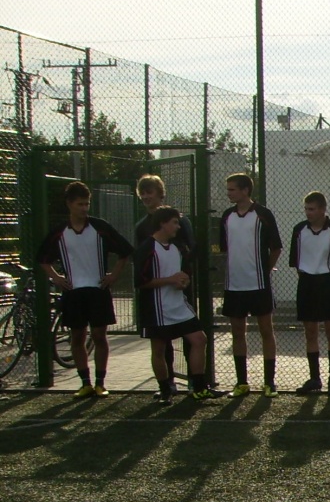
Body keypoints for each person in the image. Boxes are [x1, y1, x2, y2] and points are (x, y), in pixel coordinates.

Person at [37, 181, 133, 397]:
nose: (84, 208)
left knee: (99, 335)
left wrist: (114, 275)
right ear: (69, 204)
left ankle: (100, 382)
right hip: (73, 292)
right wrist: (57, 278)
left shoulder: (100, 227)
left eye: (87, 204)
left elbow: (125, 251)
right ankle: (85, 383)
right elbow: (42, 259)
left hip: (98, 290)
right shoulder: (60, 232)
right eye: (80, 204)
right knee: (77, 336)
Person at [134, 206, 216, 403]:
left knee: (199, 339)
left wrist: (183, 281)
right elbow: (140, 282)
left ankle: (199, 387)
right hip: (157, 308)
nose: (178, 227)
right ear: (163, 223)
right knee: (159, 349)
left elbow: (184, 273)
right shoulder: (147, 248)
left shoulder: (177, 247)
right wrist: (170, 280)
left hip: (178, 305)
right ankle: (165, 390)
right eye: (175, 223)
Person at [220, 172, 282, 397]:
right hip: (234, 286)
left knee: (266, 330)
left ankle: (269, 382)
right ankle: (242, 382)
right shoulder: (227, 216)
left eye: (232, 189)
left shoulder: (263, 214)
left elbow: (276, 247)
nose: (228, 193)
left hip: (259, 285)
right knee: (237, 332)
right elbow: (224, 249)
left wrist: (265, 271)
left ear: (245, 190)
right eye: (228, 189)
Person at [134, 173, 197, 394]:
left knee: (192, 335)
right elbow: (141, 261)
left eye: (149, 192)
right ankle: (167, 383)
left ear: (160, 194)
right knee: (161, 340)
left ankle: (194, 379)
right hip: (157, 292)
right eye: (142, 193)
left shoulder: (179, 221)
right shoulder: (141, 227)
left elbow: (191, 250)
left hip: (180, 288)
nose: (145, 197)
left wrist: (185, 277)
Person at [288, 191, 330, 395]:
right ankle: (314, 378)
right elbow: (296, 261)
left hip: (329, 282)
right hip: (307, 282)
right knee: (310, 331)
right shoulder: (299, 230)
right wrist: (307, 276)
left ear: (323, 209)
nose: (308, 213)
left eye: (312, 209)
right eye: (306, 209)